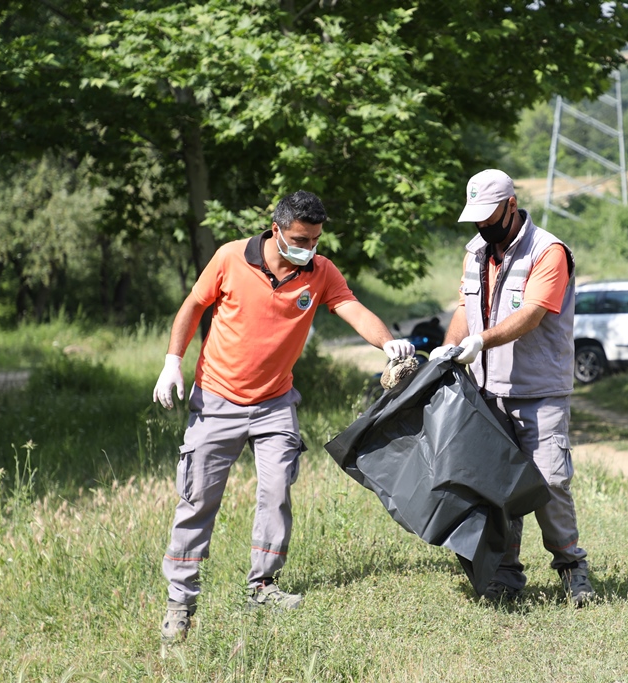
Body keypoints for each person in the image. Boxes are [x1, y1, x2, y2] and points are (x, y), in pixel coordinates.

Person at [152, 190, 415, 644]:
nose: (308, 248)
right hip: (217, 399)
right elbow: (194, 305)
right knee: (197, 499)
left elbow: (350, 307)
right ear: (276, 229)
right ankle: (180, 602)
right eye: (299, 238)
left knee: (276, 493)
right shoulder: (230, 258)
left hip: (276, 402)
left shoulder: (320, 271)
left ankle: (263, 585)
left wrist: (386, 342)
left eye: (314, 239)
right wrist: (173, 360)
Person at [430, 169, 593, 607]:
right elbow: (465, 308)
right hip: (486, 390)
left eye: (489, 215)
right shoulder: (475, 252)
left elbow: (533, 314)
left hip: (540, 390)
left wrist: (482, 340)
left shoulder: (549, 252)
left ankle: (571, 567)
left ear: (512, 205)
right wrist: (447, 352)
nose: (483, 225)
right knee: (496, 486)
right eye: (476, 218)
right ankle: (505, 575)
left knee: (550, 482)